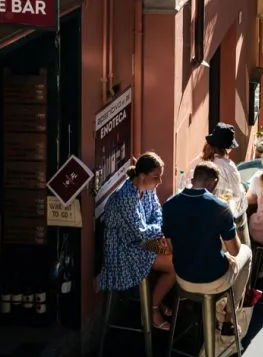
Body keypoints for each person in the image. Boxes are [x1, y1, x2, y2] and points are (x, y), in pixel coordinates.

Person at [162, 161, 252, 334]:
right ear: (214, 182)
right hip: (213, 280)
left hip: (183, 278)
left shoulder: (169, 205)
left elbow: (171, 247)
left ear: (193, 179)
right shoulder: (220, 207)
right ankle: (229, 317)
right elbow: (235, 250)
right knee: (246, 253)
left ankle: (218, 312)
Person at [98, 151, 176, 330]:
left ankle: (156, 298)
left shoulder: (148, 189)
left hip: (142, 243)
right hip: (124, 250)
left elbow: (158, 212)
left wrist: (158, 233)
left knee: (175, 251)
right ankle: (152, 310)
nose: (159, 182)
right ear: (142, 176)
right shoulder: (126, 196)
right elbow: (140, 231)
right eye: (156, 177)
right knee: (174, 265)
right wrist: (159, 233)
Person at [187, 123, 249, 245]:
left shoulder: (198, 161)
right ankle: (244, 253)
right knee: (242, 214)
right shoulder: (228, 166)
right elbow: (238, 196)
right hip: (221, 216)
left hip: (198, 214)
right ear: (227, 148)